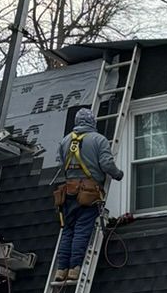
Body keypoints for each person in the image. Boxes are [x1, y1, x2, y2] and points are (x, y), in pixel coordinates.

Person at [51, 108, 123, 283]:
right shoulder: (99, 140)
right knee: (82, 230)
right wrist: (117, 174)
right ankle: (75, 268)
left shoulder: (65, 141)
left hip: (68, 192)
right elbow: (106, 163)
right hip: (88, 193)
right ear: (92, 122)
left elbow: (61, 164)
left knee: (68, 230)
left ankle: (61, 269)